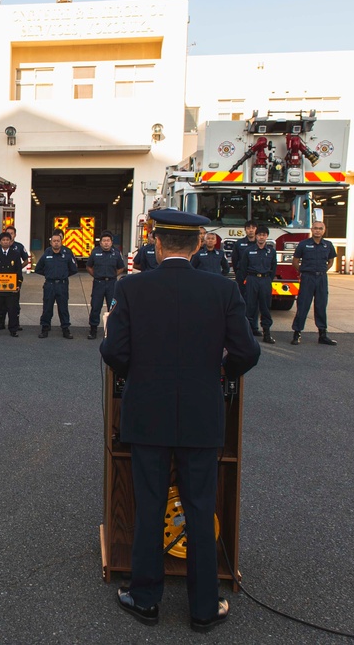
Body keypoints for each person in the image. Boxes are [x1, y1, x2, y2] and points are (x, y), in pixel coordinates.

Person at [101, 208, 260, 634]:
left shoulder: (130, 287)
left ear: (156, 242)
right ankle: (204, 608)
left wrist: (140, 376)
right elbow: (246, 352)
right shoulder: (222, 289)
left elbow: (113, 351)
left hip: (146, 414)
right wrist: (218, 374)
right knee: (200, 506)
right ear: (196, 245)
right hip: (202, 415)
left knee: (150, 505)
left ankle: (145, 597)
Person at [290, 220, 338, 346]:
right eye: (315, 228)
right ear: (312, 230)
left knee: (321, 306)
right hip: (307, 278)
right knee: (303, 305)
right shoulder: (303, 244)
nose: (317, 230)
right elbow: (295, 261)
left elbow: (331, 261)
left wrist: (322, 271)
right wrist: (305, 272)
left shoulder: (328, 245)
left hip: (321, 278)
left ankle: (323, 335)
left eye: (320, 228)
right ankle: (297, 333)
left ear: (324, 230)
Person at [236, 225, 277, 343]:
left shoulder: (271, 251)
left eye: (264, 235)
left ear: (267, 237)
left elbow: (274, 267)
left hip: (265, 280)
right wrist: (243, 282)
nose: (261, 237)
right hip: (252, 280)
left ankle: (267, 334)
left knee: (265, 307)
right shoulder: (248, 251)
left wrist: (269, 280)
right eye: (259, 235)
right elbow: (243, 267)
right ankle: (246, 335)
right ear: (256, 236)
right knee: (250, 306)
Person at [34, 229, 78, 339]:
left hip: (62, 285)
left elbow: (73, 269)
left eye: (58, 241)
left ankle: (65, 329)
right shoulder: (47, 253)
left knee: (63, 308)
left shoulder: (67, 253)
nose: (56, 243)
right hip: (49, 285)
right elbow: (38, 268)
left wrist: (63, 275)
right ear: (51, 242)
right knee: (47, 308)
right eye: (54, 241)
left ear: (61, 242)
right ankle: (45, 328)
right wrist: (49, 274)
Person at [86, 230, 125, 339]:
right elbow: (89, 266)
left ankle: (111, 330)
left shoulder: (116, 253)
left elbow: (121, 267)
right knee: (95, 306)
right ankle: (93, 329)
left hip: (112, 283)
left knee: (112, 307)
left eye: (108, 241)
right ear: (101, 242)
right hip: (98, 283)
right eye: (104, 241)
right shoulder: (95, 252)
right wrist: (96, 276)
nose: (106, 243)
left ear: (111, 242)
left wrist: (112, 275)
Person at [0, 231, 22, 337]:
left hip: (11, 288)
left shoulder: (15, 254)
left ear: (11, 241)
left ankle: (13, 330)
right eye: (3, 240)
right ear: (0, 241)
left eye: (8, 240)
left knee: (12, 310)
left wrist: (18, 285)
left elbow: (18, 271)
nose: (6, 242)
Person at [5, 225, 29, 329]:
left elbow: (26, 260)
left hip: (14, 278)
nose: (10, 235)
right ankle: (0, 323)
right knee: (1, 302)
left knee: (14, 301)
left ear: (15, 235)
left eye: (12, 233)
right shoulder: (0, 246)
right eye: (8, 233)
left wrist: (18, 269)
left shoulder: (19, 247)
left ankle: (15, 323)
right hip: (1, 278)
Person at [230, 220, 258, 296]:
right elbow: (235, 259)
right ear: (245, 230)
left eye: (253, 228)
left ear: (256, 229)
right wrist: (239, 272)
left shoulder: (260, 244)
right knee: (241, 296)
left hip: (256, 274)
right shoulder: (239, 243)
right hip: (242, 274)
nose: (251, 230)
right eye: (248, 228)